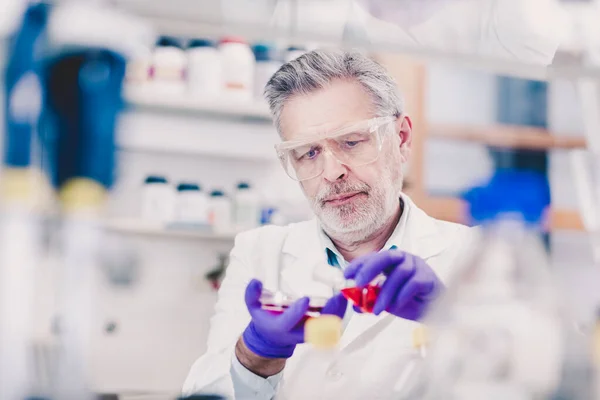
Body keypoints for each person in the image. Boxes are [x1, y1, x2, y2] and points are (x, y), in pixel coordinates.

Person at [182, 49, 475, 399]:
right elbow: (203, 393)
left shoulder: (472, 257)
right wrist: (254, 355)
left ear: (401, 138)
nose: (332, 172)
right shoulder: (258, 252)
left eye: (351, 142)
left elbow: (517, 386)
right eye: (308, 153)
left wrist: (450, 323)